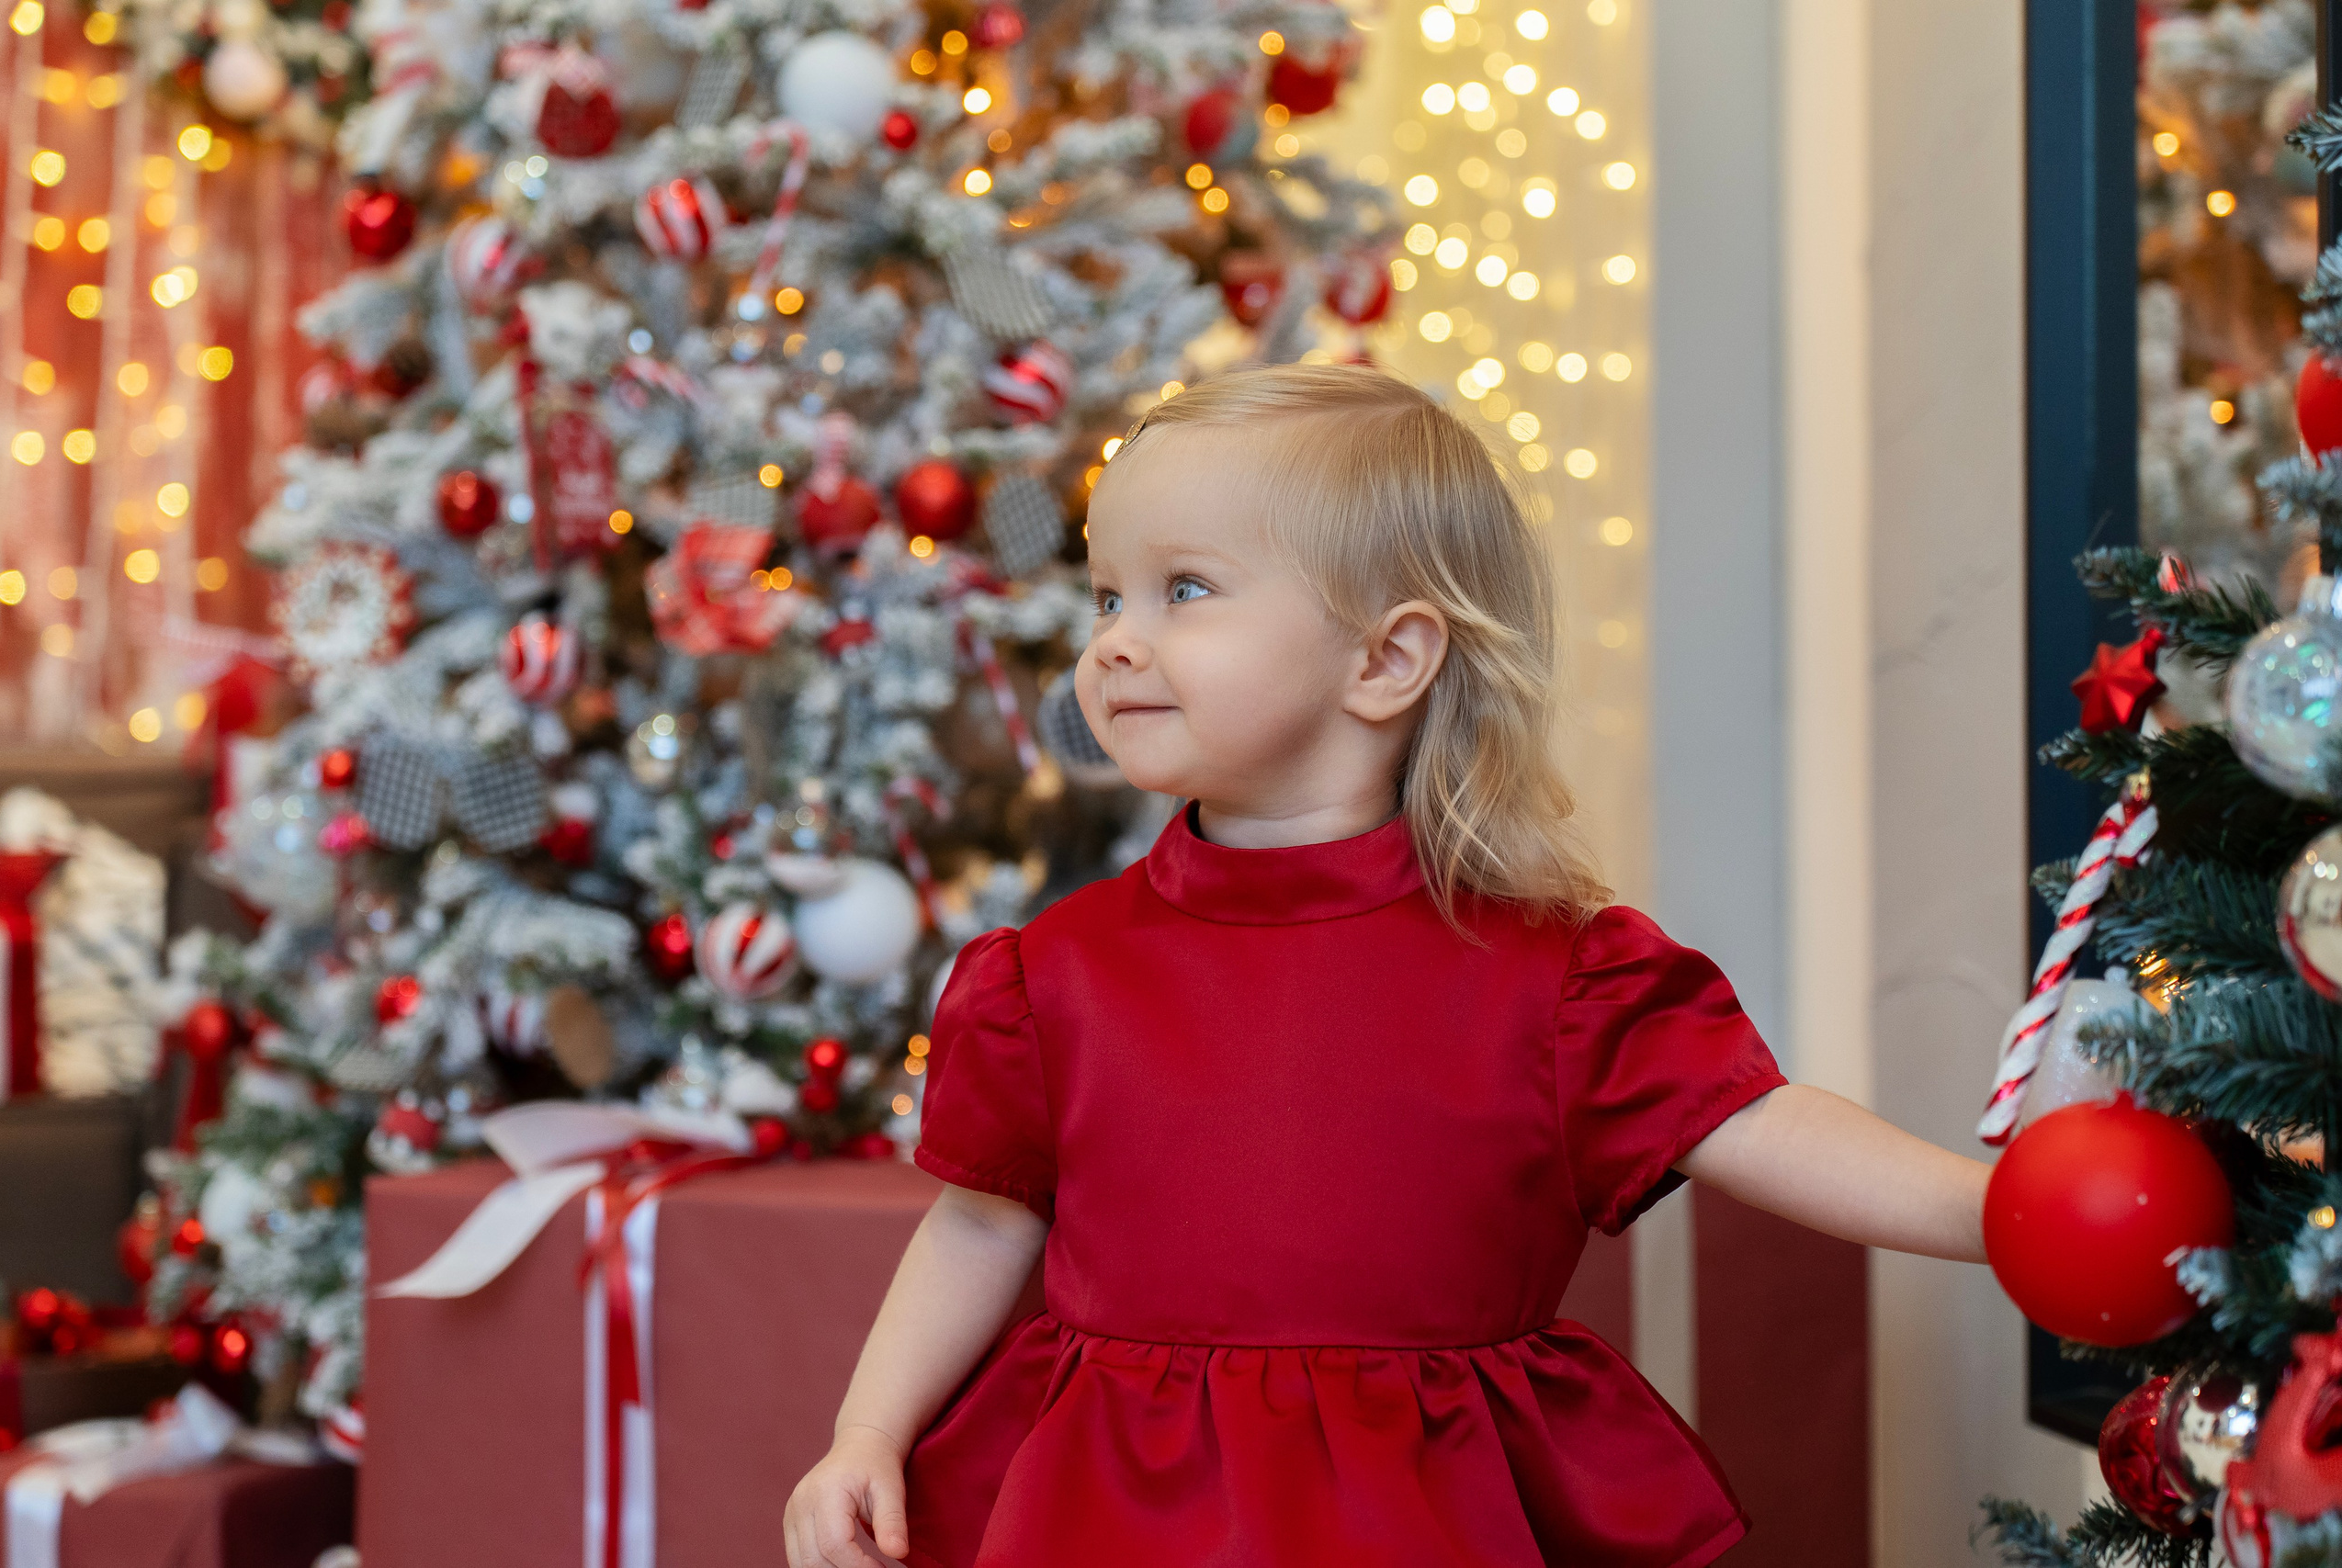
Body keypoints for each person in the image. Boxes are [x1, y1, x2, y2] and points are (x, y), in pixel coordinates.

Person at [783, 364, 1988, 1568]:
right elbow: (982, 1228)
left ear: (1386, 659)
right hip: (1113, 1516)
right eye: (1107, 599)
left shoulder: (1558, 981)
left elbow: (1762, 1125)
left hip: (1427, 1516)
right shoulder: (1051, 976)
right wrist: (866, 1432)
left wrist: (1997, 1214)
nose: (1112, 645)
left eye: (1183, 589)